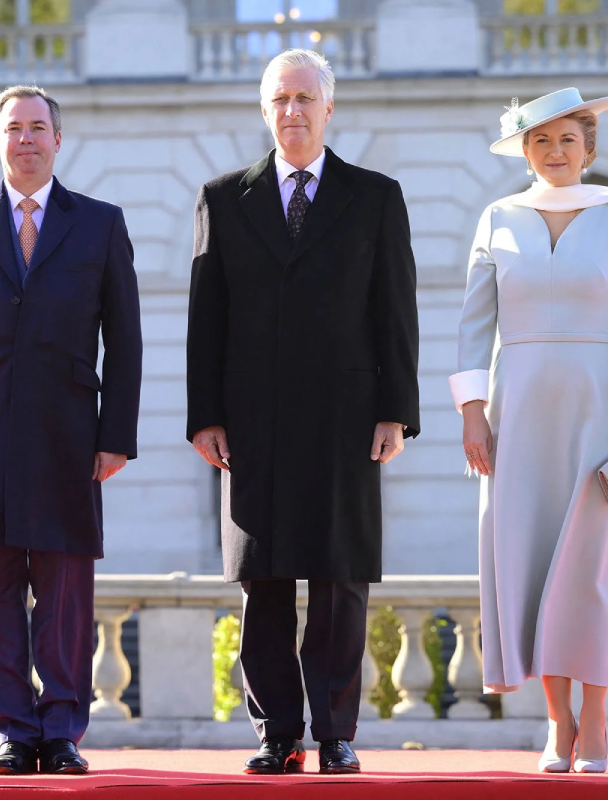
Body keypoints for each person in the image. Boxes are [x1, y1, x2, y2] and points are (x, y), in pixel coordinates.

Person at [186, 49, 420, 775]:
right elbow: (206, 319)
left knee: (340, 578)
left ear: (329, 107)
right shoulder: (224, 198)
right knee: (263, 579)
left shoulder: (376, 197)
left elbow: (395, 312)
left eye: (304, 99)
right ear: (265, 111)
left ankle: (335, 732)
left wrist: (397, 411)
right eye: (279, 99)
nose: (292, 112)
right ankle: (277, 733)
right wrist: (205, 416)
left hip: (348, 418)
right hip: (252, 421)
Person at [0, 85, 142, 776]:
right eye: (13, 128)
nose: (26, 139)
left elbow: (125, 340)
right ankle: (12, 731)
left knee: (66, 591)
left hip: (69, 434)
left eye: (38, 127)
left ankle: (63, 731)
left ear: (58, 140)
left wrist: (117, 434)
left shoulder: (99, 223)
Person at [450, 88, 608, 774]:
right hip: (516, 410)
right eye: (540, 141)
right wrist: (472, 412)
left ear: (589, 149)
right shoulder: (496, 218)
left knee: (597, 566)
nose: (554, 152)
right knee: (526, 557)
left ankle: (598, 718)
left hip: (600, 405)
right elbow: (473, 325)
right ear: (524, 150)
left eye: (567, 140)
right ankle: (557, 722)